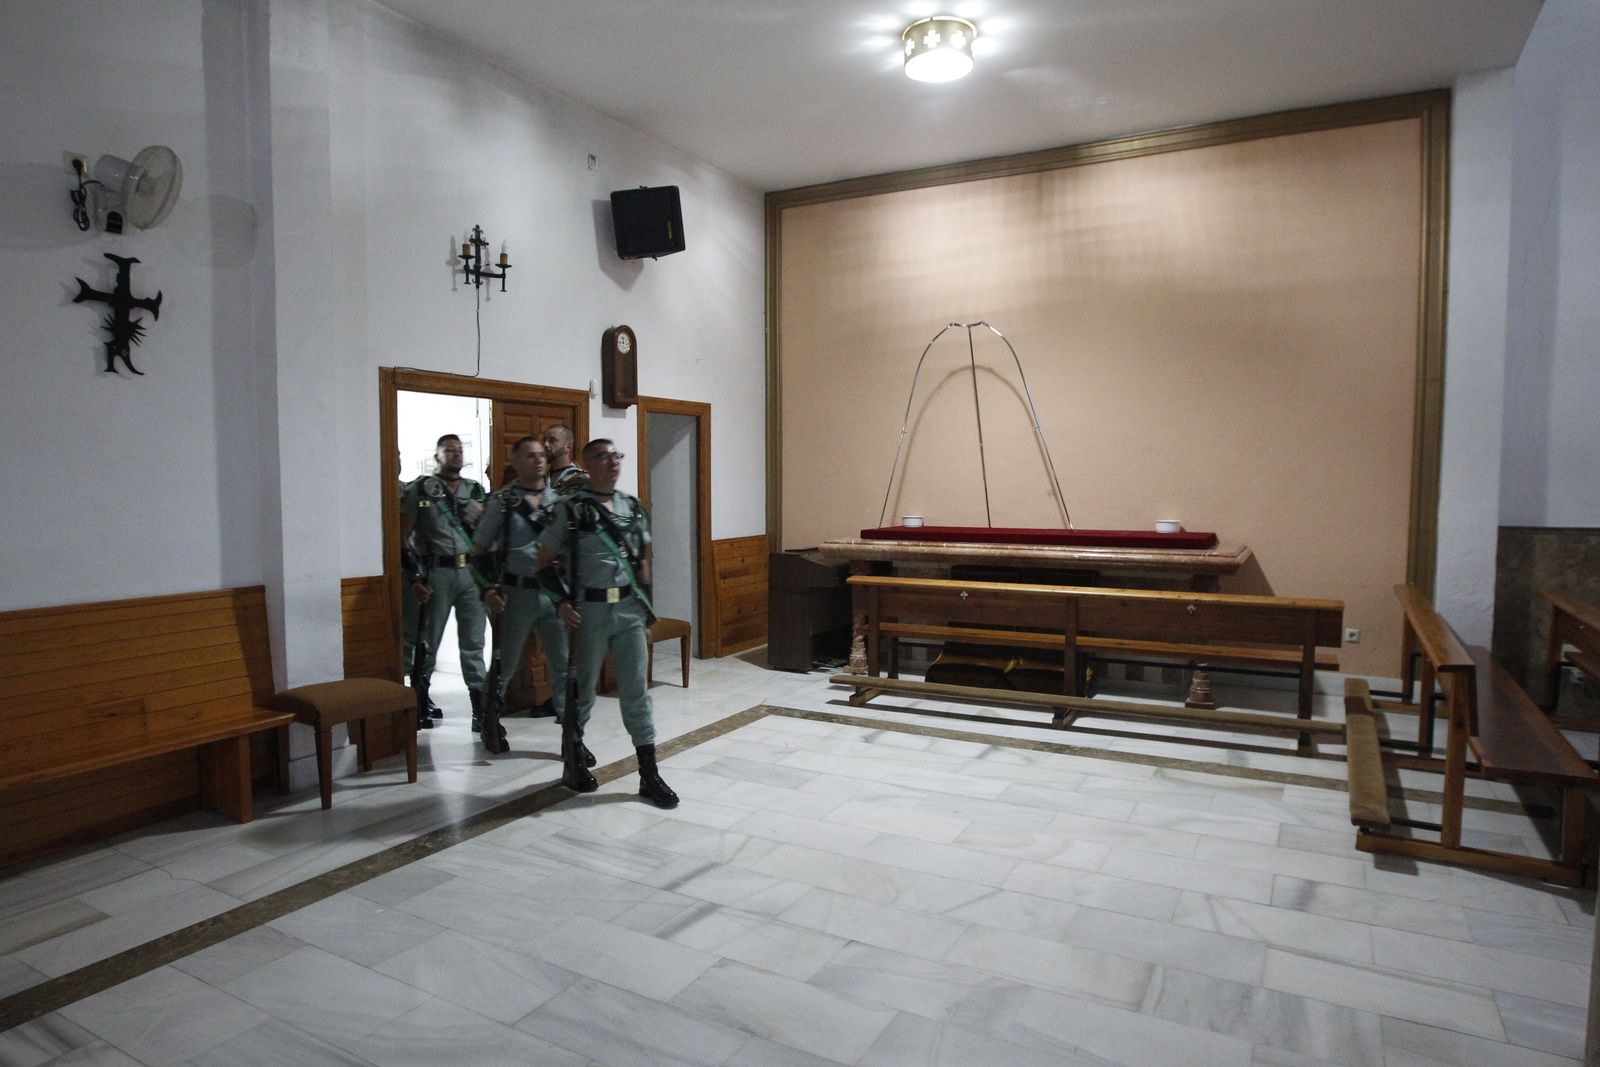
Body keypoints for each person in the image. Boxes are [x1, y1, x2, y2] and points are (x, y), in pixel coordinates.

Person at [537, 439, 677, 807]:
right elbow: (543, 561)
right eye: (603, 456)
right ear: (586, 464)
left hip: (628, 610)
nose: (613, 462)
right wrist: (561, 601)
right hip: (590, 612)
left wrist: (646, 610)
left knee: (636, 693)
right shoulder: (571, 510)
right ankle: (573, 756)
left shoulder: (632, 507)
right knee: (581, 692)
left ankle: (649, 774)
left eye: (616, 456)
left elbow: (643, 563)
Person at [473, 436, 568, 754]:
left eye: (542, 455)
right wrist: (487, 588)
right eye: (530, 456)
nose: (538, 461)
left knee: (563, 665)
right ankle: (489, 720)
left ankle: (572, 736)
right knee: (505, 665)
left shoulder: (558, 502)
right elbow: (480, 550)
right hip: (517, 595)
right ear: (516, 462)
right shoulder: (502, 502)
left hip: (553, 595)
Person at [399, 434, 488, 728]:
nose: (456, 455)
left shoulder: (475, 490)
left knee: (474, 642)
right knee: (427, 641)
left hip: (470, 574)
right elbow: (403, 538)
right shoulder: (421, 489)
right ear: (437, 456)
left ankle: (480, 708)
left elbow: (487, 537)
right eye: (449, 450)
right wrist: (414, 576)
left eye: (460, 450)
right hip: (436, 572)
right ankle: (419, 700)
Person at [543, 424, 588, 494]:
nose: (545, 444)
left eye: (552, 440)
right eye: (544, 440)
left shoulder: (581, 478)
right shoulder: (540, 477)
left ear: (568, 447)